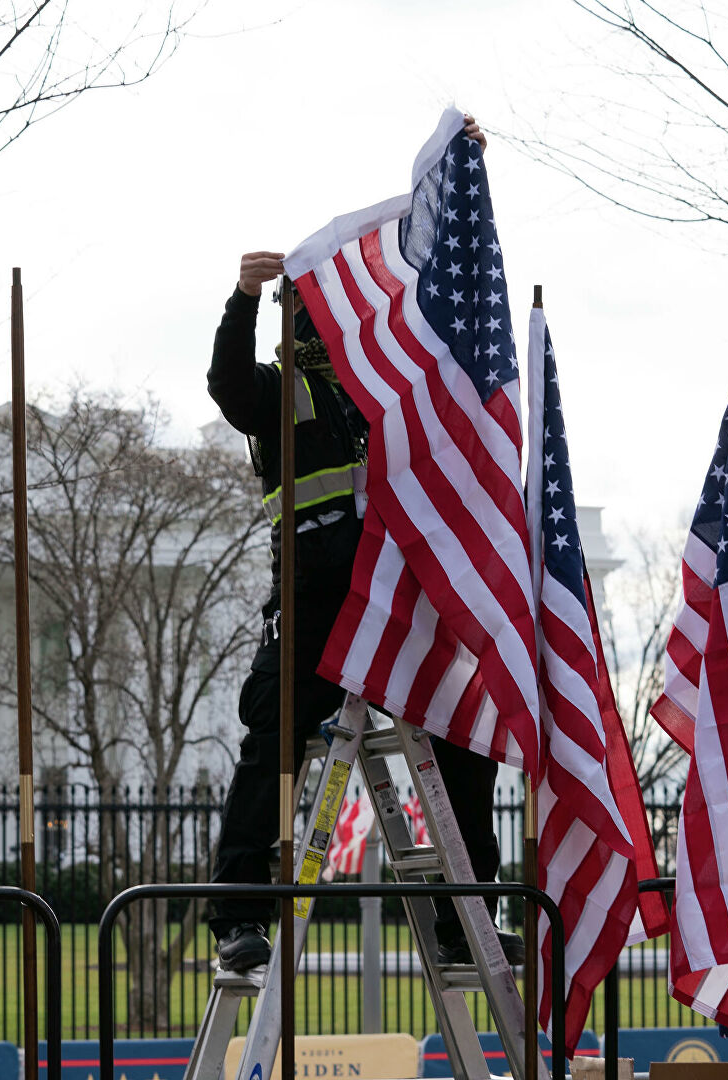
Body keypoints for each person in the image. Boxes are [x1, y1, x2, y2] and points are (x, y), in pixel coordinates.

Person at [204, 115, 518, 974]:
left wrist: (458, 186)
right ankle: (238, 919)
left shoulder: (385, 384)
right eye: (303, 314)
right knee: (272, 746)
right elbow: (226, 379)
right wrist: (240, 298)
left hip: (399, 589)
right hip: (313, 597)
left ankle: (466, 918)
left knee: (463, 736)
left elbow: (441, 310)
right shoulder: (274, 392)